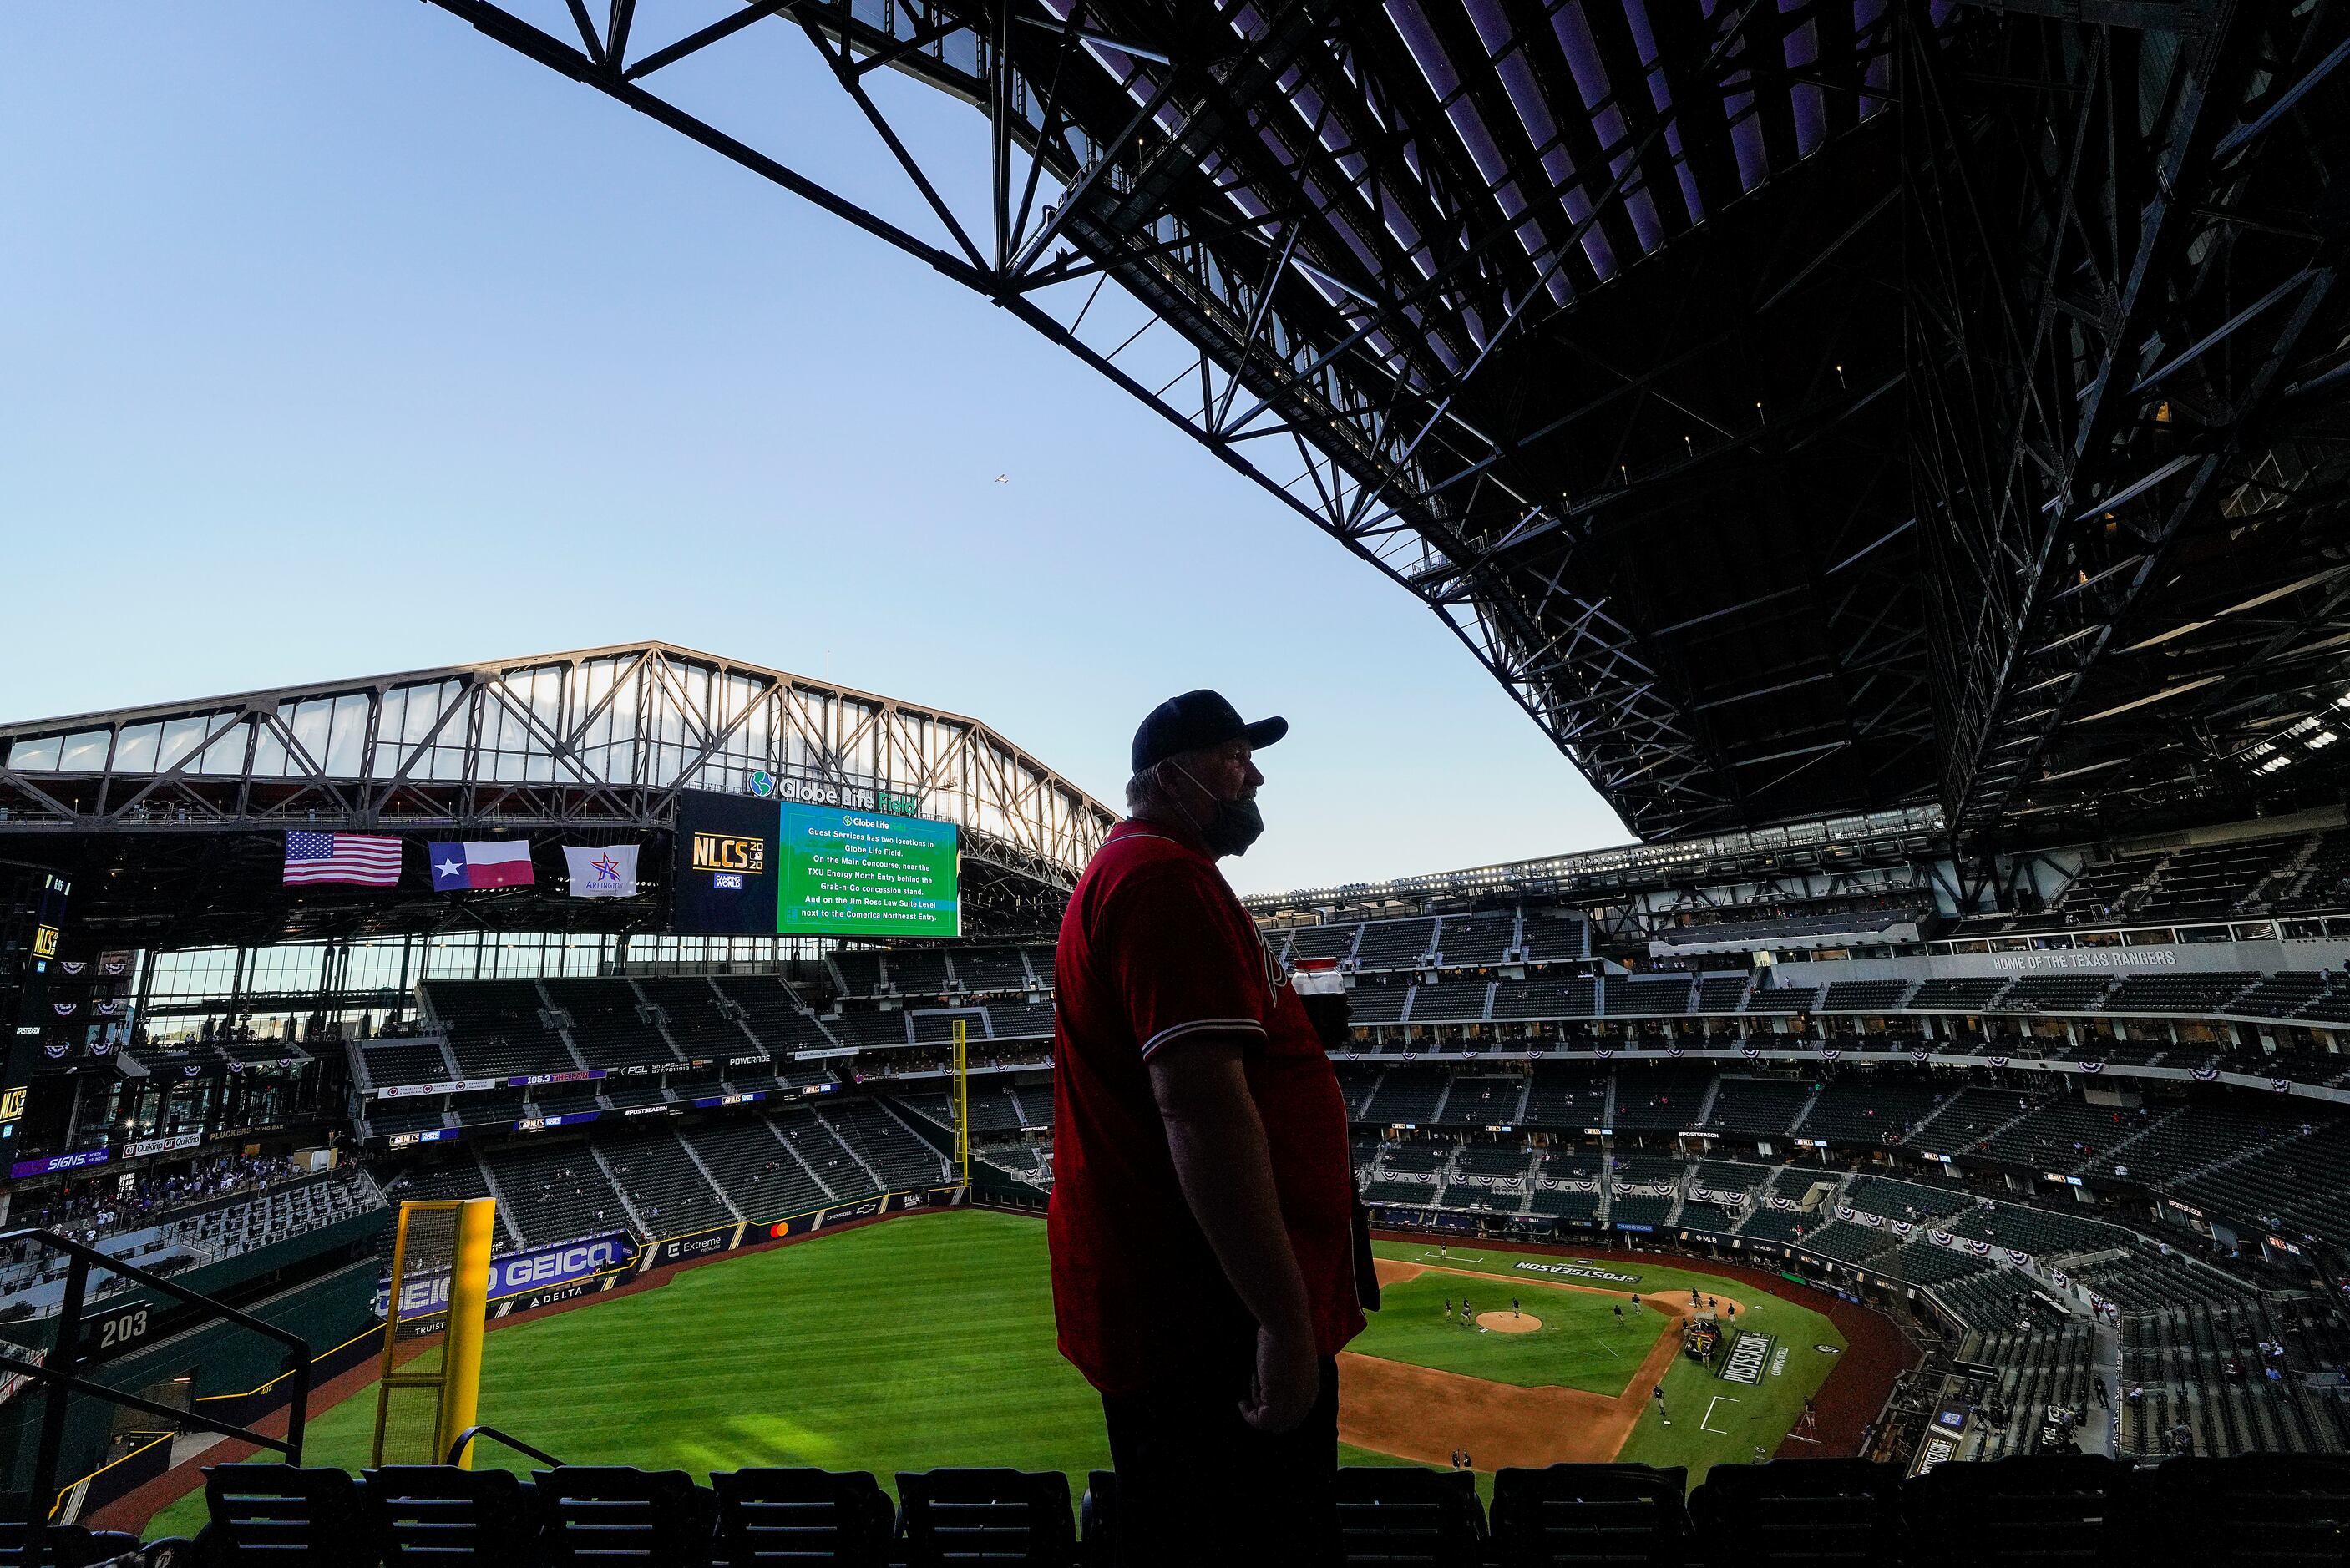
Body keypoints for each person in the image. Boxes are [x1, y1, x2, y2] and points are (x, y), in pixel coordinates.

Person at [1048, 691, 1365, 1567]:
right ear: (1168, 778)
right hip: (1207, 1322)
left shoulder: (1146, 873)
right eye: (1233, 757)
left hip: (1184, 1306)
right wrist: (1283, 1320)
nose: (1254, 775)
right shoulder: (1162, 880)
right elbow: (1202, 1109)